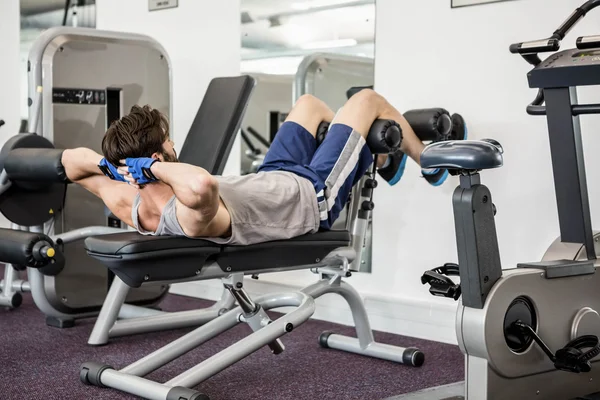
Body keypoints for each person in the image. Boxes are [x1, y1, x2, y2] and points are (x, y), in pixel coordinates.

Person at [61, 89, 449, 245]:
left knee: (310, 105)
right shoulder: (185, 215)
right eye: (168, 142)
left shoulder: (126, 198)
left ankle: (378, 158)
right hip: (312, 196)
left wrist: (111, 166)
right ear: (158, 159)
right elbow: (198, 184)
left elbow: (70, 161)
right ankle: (429, 163)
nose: (174, 143)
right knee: (365, 99)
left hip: (274, 175)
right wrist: (153, 168)